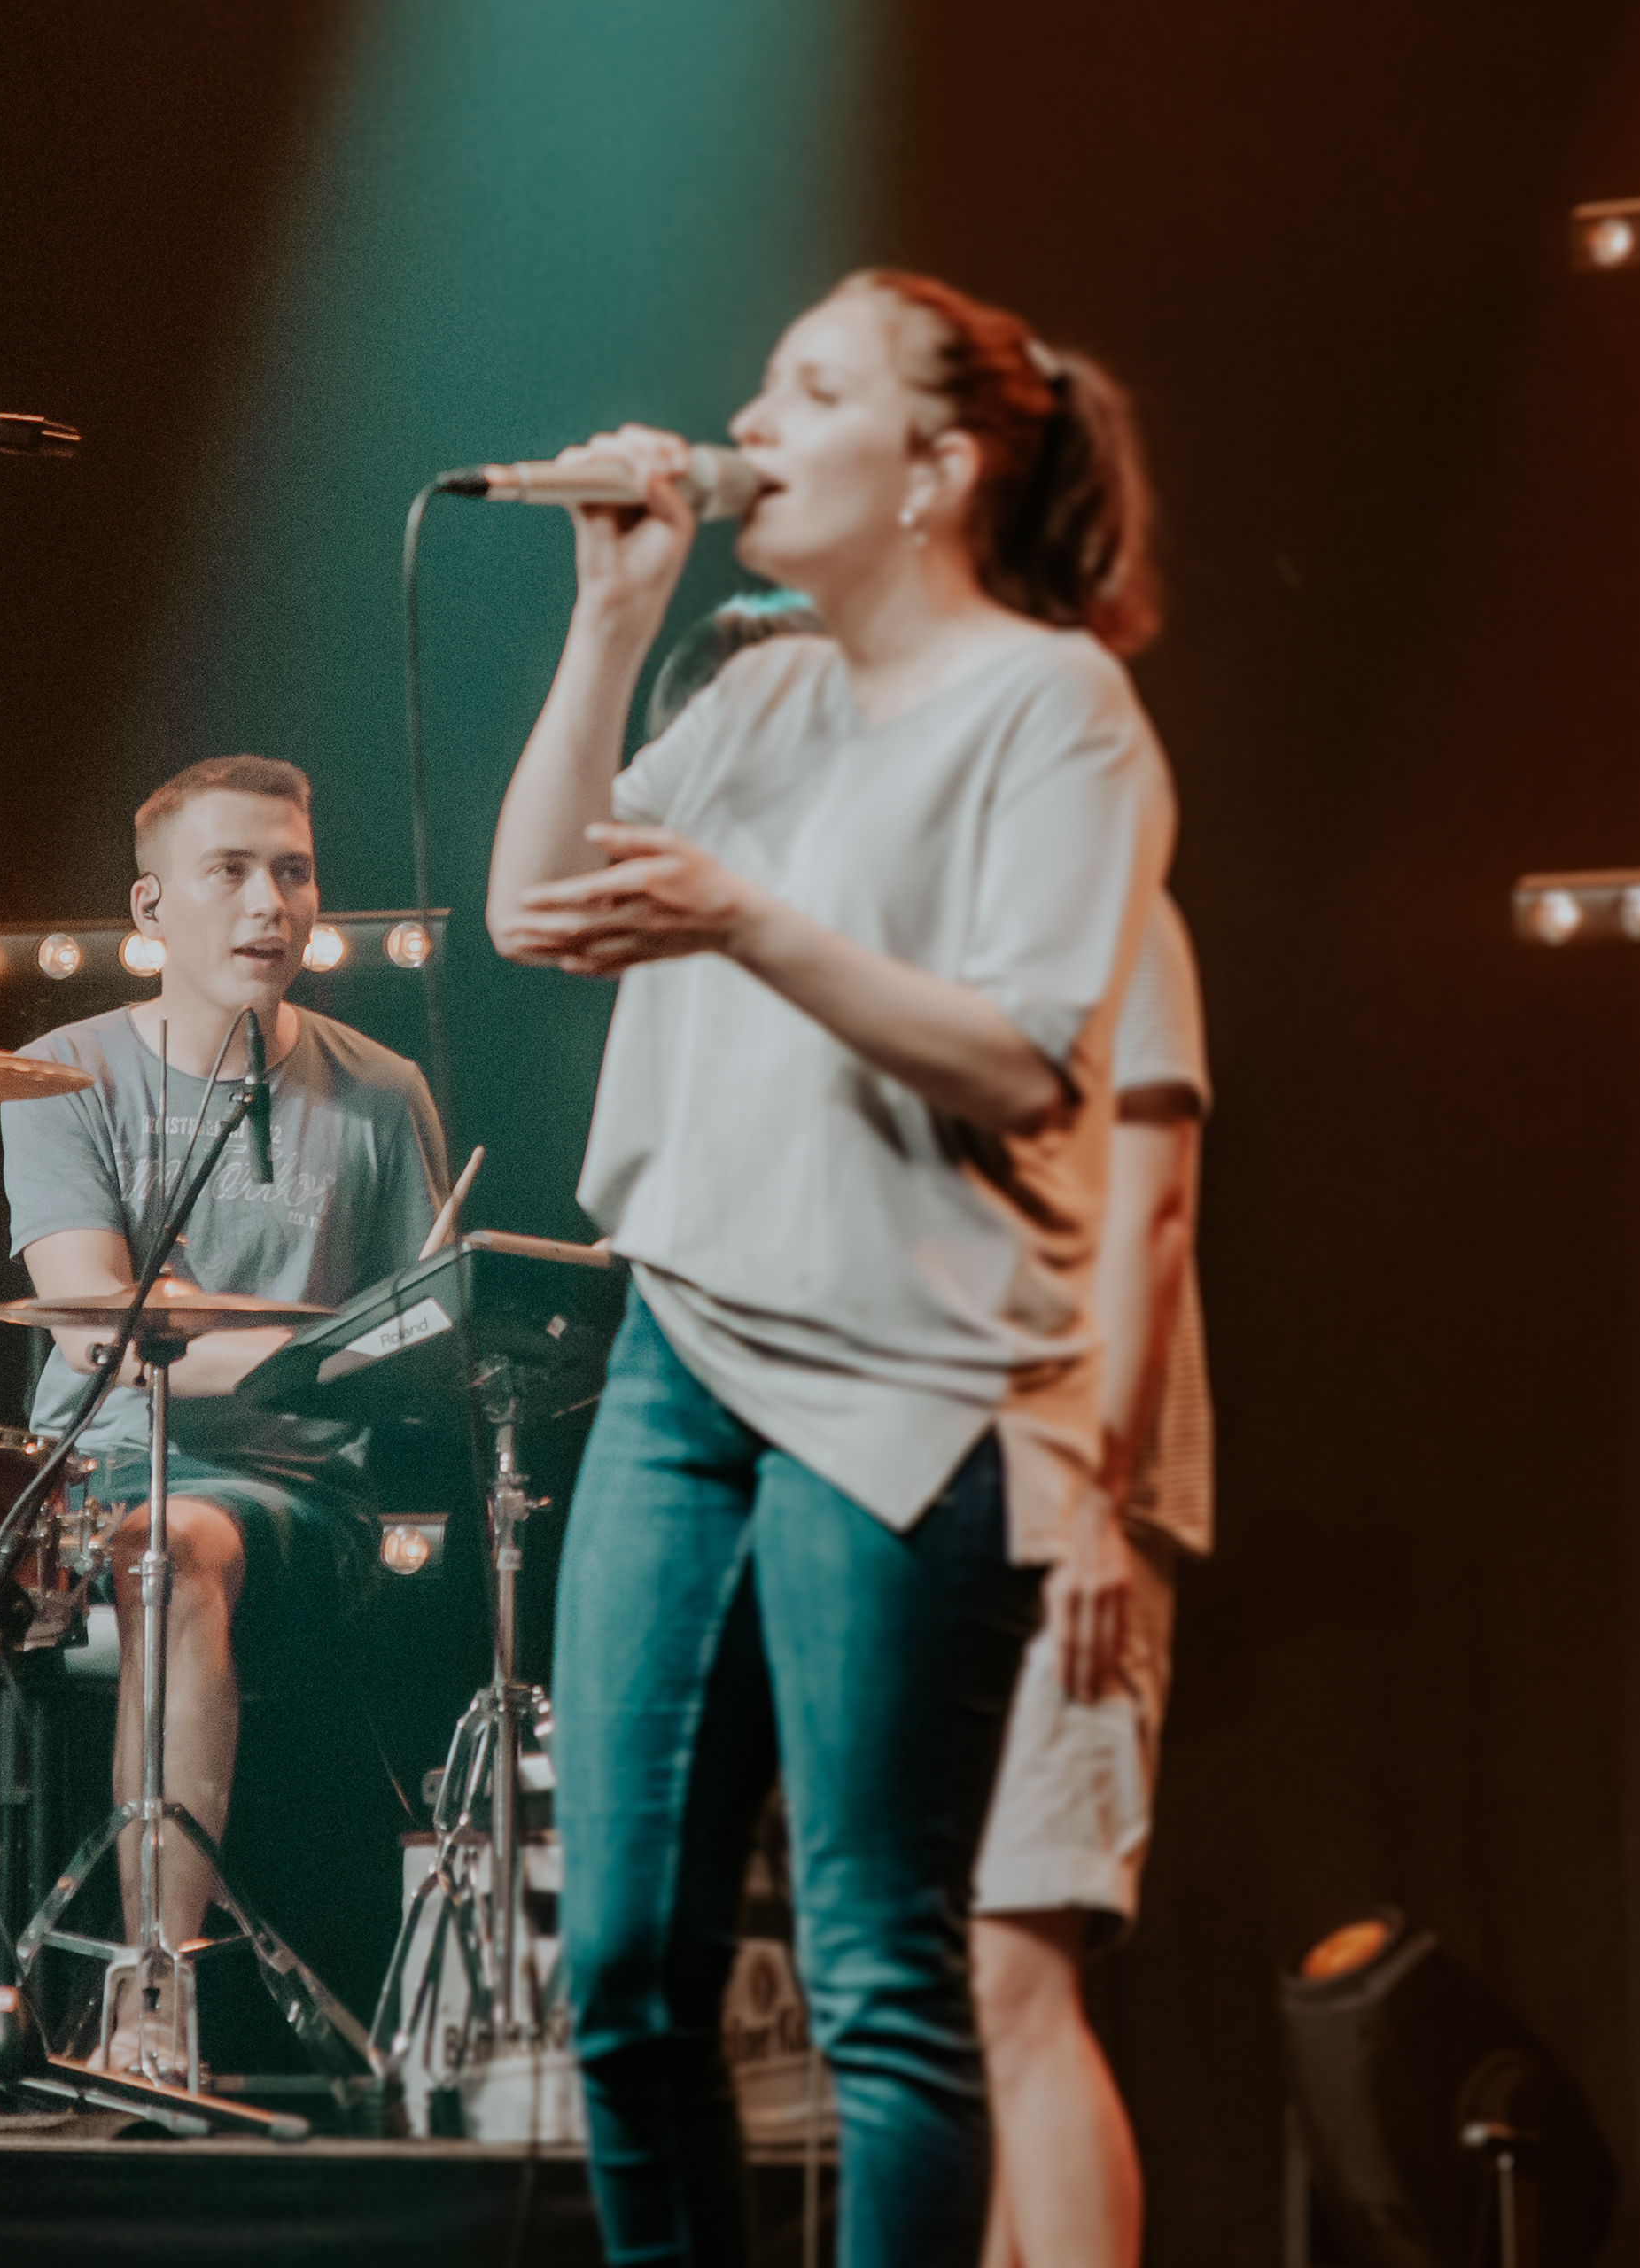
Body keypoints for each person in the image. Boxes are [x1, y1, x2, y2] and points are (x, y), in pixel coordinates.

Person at [484, 268, 1173, 2265]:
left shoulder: (1055, 706)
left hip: (908, 1386)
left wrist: (749, 920)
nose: (755, 422)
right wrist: (613, 620)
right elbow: (535, 911)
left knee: (880, 1972)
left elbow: (1025, 1057)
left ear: (935, 467)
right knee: (623, 1965)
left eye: (812, 389)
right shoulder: (761, 688)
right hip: (683, 1355)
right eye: (762, 384)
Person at [2, 754, 450, 2082]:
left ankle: (155, 1985)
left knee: (177, 1542)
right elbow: (93, 1329)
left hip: (299, 1500)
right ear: (151, 905)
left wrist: (228, 1344)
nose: (273, 903)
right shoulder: (62, 1073)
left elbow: (423, 1343)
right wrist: (311, 1351)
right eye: (234, 872)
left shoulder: (382, 1092)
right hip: (82, 1474)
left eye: (294, 872)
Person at [969, 889, 1210, 2268]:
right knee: (963, 2003)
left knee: (1014, 1978)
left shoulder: (1104, 893)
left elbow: (1153, 1206)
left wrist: (1096, 1502)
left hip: (1064, 1499)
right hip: (947, 1501)